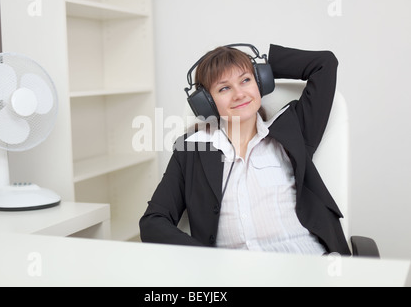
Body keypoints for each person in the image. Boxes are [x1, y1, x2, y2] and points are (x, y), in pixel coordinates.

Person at [139, 44, 351, 255]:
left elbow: (324, 64)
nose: (239, 94)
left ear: (260, 82)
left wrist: (262, 67)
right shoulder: (191, 150)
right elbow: (152, 222)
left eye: (246, 80)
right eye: (224, 88)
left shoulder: (294, 128)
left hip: (307, 263)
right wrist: (204, 260)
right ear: (206, 103)